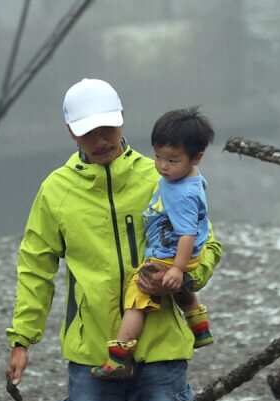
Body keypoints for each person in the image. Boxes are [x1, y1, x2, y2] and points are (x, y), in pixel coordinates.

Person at [5, 79, 223, 401]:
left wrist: (187, 276)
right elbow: (35, 266)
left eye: (106, 128)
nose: (100, 140)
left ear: (121, 120)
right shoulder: (56, 192)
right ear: (70, 131)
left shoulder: (162, 175)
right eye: (88, 132)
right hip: (93, 354)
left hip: (162, 349)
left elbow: (208, 239)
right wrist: (23, 338)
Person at [92, 108, 216, 380]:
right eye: (158, 156)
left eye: (172, 160)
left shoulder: (181, 193)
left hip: (169, 254)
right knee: (178, 291)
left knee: (138, 297)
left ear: (196, 157)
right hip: (184, 253)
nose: (162, 166)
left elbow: (186, 233)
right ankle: (199, 324)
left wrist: (176, 269)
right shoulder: (191, 178)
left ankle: (119, 356)